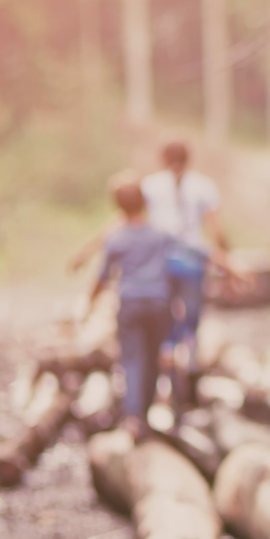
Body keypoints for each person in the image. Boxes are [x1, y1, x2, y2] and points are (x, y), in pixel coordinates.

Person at [72, 141, 233, 411]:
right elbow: (214, 233)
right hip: (189, 264)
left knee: (156, 336)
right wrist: (228, 263)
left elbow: (120, 226)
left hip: (162, 268)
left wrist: (86, 252)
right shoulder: (202, 187)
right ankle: (188, 379)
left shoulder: (150, 188)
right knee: (189, 323)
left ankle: (160, 380)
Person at [88, 173, 177, 441]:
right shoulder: (160, 235)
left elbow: (102, 277)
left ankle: (135, 418)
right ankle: (145, 415)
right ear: (145, 202)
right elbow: (174, 270)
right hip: (160, 304)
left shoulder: (116, 238)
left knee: (132, 360)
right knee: (152, 359)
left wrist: (89, 306)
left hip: (131, 305)